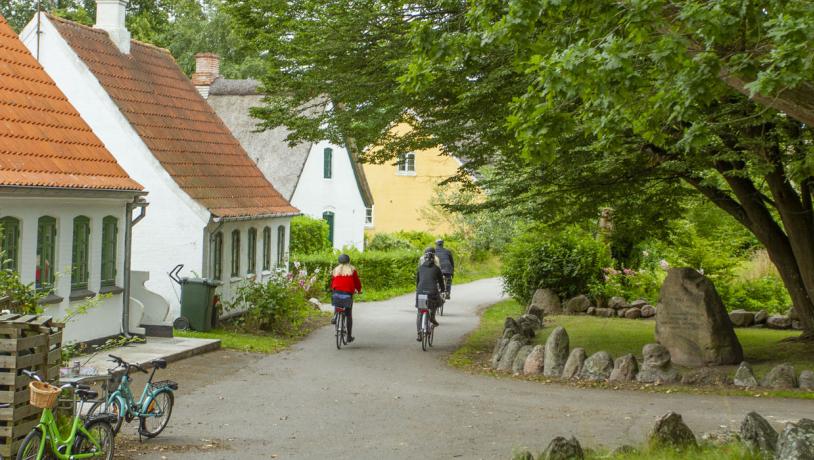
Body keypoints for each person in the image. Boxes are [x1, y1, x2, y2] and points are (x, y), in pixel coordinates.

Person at [415, 247, 445, 341]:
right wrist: (443, 290)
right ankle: (432, 317)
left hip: (420, 292)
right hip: (432, 292)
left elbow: (417, 281)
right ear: (433, 258)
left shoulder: (420, 268)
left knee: (420, 312)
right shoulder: (436, 269)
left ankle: (419, 333)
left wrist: (419, 289)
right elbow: (441, 282)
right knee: (438, 302)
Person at [330, 253, 362, 342]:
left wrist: (332, 289)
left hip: (336, 292)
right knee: (348, 315)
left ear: (338, 261)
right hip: (348, 294)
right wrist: (359, 290)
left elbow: (332, 282)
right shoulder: (352, 270)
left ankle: (335, 317)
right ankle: (349, 336)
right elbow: (357, 282)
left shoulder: (335, 270)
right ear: (349, 261)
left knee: (337, 301)